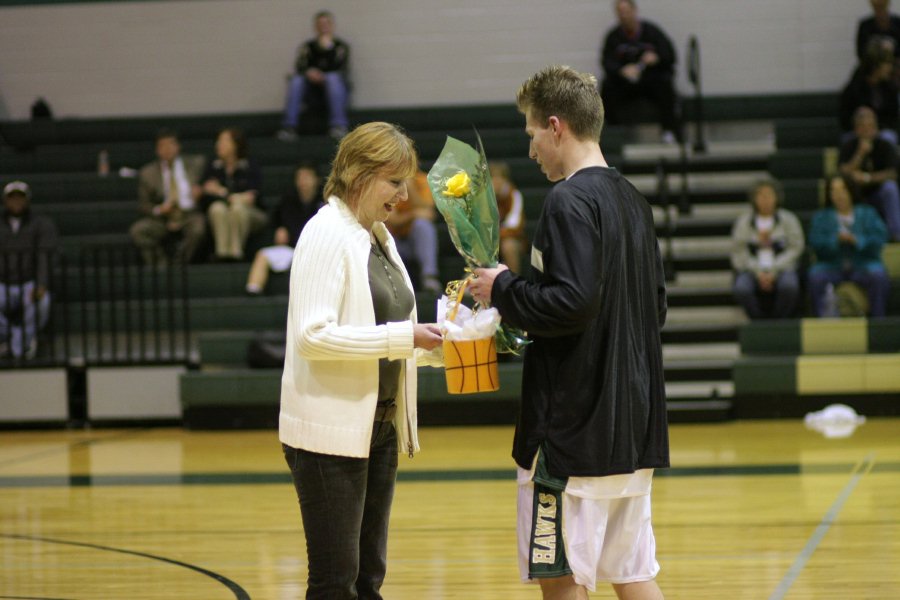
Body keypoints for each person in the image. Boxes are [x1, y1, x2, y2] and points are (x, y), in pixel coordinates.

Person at [469, 66, 668, 600]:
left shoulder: (567, 200)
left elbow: (573, 302)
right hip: (631, 428)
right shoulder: (634, 202)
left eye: (532, 133)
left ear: (556, 126)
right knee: (633, 574)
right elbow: (656, 309)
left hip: (571, 434)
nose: (531, 148)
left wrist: (503, 289)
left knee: (560, 580)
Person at [279, 122, 444, 599]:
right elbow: (314, 337)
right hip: (328, 438)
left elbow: (389, 338)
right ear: (359, 174)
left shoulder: (377, 236)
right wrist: (403, 337)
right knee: (336, 583)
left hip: (378, 430)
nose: (405, 194)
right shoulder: (326, 232)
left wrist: (446, 349)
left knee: (368, 579)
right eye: (395, 182)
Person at [808, 175, 891, 318]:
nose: (839, 195)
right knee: (815, 276)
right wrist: (834, 240)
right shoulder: (821, 217)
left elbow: (880, 237)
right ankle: (822, 319)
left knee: (878, 275)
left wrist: (858, 240)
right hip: (832, 265)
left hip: (863, 263)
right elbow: (815, 241)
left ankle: (878, 319)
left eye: (842, 189)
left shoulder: (867, 213)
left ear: (851, 190)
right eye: (834, 190)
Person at [600, 0, 681, 143]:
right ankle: (615, 134)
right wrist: (621, 70)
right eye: (620, 12)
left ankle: (669, 132)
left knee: (666, 86)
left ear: (634, 11)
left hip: (649, 80)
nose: (624, 16)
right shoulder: (613, 37)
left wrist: (657, 58)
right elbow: (606, 62)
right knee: (607, 89)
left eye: (626, 11)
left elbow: (670, 55)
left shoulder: (652, 32)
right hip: (625, 83)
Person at [730, 180, 805, 319]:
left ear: (777, 197)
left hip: (783, 267)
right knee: (742, 288)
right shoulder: (744, 222)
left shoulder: (788, 219)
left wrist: (774, 269)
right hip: (752, 269)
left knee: (789, 286)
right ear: (754, 199)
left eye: (769, 195)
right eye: (761, 195)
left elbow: (796, 248)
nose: (765, 200)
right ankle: (757, 320)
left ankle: (779, 320)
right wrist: (758, 271)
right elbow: (739, 252)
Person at [129, 129, 206, 265]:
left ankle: (179, 265)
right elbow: (144, 205)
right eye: (162, 146)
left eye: (171, 144)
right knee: (138, 230)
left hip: (189, 215)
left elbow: (209, 185)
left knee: (198, 229)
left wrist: (200, 192)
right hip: (163, 218)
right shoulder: (148, 173)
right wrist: (160, 210)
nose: (167, 149)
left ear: (178, 146)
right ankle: (161, 267)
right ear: (157, 150)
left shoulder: (197, 164)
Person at [246, 162, 324, 295]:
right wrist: (279, 228)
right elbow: (274, 221)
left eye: (306, 177)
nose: (302, 181)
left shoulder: (325, 201)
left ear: (316, 179)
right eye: (299, 177)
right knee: (262, 255)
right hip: (291, 250)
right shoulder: (287, 200)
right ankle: (253, 291)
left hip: (316, 252)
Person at [0, 181, 58, 360]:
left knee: (42, 303)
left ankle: (15, 348)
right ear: (5, 201)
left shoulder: (41, 224)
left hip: (28, 282)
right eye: (12, 198)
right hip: (2, 283)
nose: (16, 202)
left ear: (27, 200)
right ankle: (16, 340)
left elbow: (45, 255)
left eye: (20, 198)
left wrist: (41, 284)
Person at [277, 10, 351, 142]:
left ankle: (339, 125)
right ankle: (289, 127)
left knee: (332, 78)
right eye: (320, 24)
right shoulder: (307, 47)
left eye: (326, 23)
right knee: (296, 81)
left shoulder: (340, 47)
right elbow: (300, 66)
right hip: (311, 90)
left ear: (332, 25)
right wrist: (310, 73)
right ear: (315, 27)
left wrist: (328, 50)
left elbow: (342, 69)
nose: (323, 27)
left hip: (334, 89)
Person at [201, 127, 267, 261]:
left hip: (251, 212)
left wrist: (222, 192)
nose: (219, 145)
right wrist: (232, 196)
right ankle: (223, 254)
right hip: (223, 210)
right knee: (217, 209)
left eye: (224, 141)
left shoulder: (250, 166)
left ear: (236, 145)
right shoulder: (213, 167)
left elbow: (251, 197)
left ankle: (236, 253)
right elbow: (206, 194)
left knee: (237, 208)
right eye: (218, 141)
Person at [838, 106, 900, 241]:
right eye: (862, 126)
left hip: (878, 194)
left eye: (870, 126)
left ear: (876, 128)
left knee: (890, 188)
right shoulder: (849, 145)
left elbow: (893, 173)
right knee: (839, 189)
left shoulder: (884, 145)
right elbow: (843, 172)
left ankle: (896, 234)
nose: (867, 130)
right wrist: (860, 154)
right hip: (855, 195)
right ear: (855, 129)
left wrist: (867, 178)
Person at [384, 170, 441, 294]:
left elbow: (429, 214)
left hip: (414, 241)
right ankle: (392, 284)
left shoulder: (422, 180)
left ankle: (429, 277)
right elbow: (391, 220)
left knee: (423, 226)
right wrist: (414, 214)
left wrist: (410, 188)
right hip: (393, 240)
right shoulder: (386, 181)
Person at [839, 39, 899, 140]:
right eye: (887, 64)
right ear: (876, 65)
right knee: (848, 140)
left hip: (881, 131)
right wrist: (861, 128)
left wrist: (876, 128)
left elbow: (893, 116)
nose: (890, 68)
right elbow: (845, 117)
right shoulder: (854, 88)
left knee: (888, 137)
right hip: (858, 132)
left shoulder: (889, 88)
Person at [490, 161, 527, 274]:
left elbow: (514, 225)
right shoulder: (483, 197)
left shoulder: (514, 195)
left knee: (509, 246)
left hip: (510, 238)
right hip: (491, 239)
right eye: (493, 178)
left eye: (500, 178)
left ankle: (513, 284)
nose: (497, 182)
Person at [856, 0, 900, 65]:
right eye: (877, 7)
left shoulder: (897, 23)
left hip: (894, 66)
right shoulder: (865, 26)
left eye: (882, 6)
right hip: (872, 66)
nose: (879, 9)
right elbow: (861, 52)